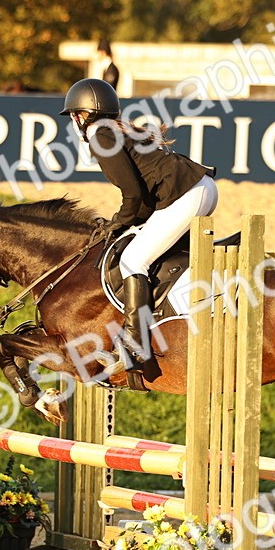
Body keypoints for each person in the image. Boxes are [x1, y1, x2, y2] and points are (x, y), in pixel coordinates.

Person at [59, 78, 218, 387]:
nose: (75, 122)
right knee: (153, 248)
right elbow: (141, 197)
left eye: (75, 115)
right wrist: (126, 221)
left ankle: (132, 346)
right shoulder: (114, 130)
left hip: (186, 194)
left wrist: (118, 221)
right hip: (197, 189)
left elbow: (133, 194)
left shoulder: (99, 136)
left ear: (84, 115)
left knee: (133, 260)